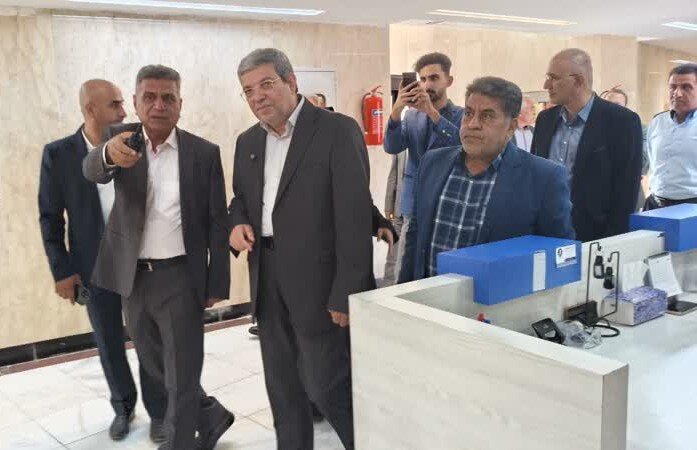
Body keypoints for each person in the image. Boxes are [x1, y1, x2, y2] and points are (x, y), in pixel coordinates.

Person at [229, 48, 374, 450]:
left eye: (266, 84)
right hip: (267, 276)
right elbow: (241, 199)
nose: (257, 96)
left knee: (329, 385)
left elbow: (354, 216)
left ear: (291, 82)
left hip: (320, 282)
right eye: (248, 90)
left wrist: (348, 291)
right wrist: (236, 222)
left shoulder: (336, 131)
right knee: (283, 387)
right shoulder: (247, 142)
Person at [82, 65, 233, 450]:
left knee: (181, 374)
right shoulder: (121, 141)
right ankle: (211, 414)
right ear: (135, 102)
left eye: (168, 98)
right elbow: (91, 169)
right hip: (133, 279)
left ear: (180, 104)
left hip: (180, 277)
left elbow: (218, 222)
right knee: (156, 364)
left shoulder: (203, 153)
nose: (159, 105)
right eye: (149, 97)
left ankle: (179, 442)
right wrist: (107, 154)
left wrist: (217, 282)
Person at [39, 79, 167, 443]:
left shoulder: (140, 142)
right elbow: (50, 217)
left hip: (143, 262)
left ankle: (160, 412)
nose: (124, 112)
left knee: (150, 340)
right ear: (90, 109)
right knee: (109, 341)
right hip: (93, 266)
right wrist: (62, 270)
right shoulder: (58, 155)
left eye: (123, 103)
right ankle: (123, 407)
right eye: (115, 105)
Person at [399, 77, 574, 282]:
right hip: (428, 296)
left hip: (497, 299)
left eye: (487, 116)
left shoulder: (543, 178)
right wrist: (403, 291)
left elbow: (561, 258)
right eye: (468, 113)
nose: (473, 124)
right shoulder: (433, 163)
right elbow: (415, 235)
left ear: (511, 127)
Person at [531, 48, 643, 241]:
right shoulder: (545, 120)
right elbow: (535, 176)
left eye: (554, 78)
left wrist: (611, 242)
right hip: (546, 232)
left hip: (594, 236)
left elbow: (626, 191)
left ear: (578, 81)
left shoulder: (622, 122)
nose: (546, 85)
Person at [384, 52, 465, 278]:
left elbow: (461, 147)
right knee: (407, 269)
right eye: (423, 79)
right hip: (414, 205)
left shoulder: (462, 116)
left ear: (449, 81)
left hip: (446, 204)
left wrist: (432, 112)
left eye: (434, 78)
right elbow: (391, 146)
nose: (427, 85)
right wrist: (397, 110)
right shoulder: (410, 117)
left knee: (441, 269)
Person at [645, 63, 697, 210]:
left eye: (686, 87)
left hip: (692, 207)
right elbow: (653, 161)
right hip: (655, 204)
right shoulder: (657, 122)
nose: (677, 93)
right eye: (673, 87)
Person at [599, 86, 650, 210]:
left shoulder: (639, 129)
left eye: (618, 105)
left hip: (628, 195)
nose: (612, 109)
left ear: (626, 108)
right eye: (608, 104)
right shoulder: (593, 129)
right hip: (596, 196)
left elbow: (641, 162)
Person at [383, 151, 407, 285]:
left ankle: (399, 286)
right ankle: (387, 285)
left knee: (405, 255)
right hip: (398, 208)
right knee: (393, 250)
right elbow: (393, 174)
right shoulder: (400, 144)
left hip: (414, 211)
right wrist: (388, 205)